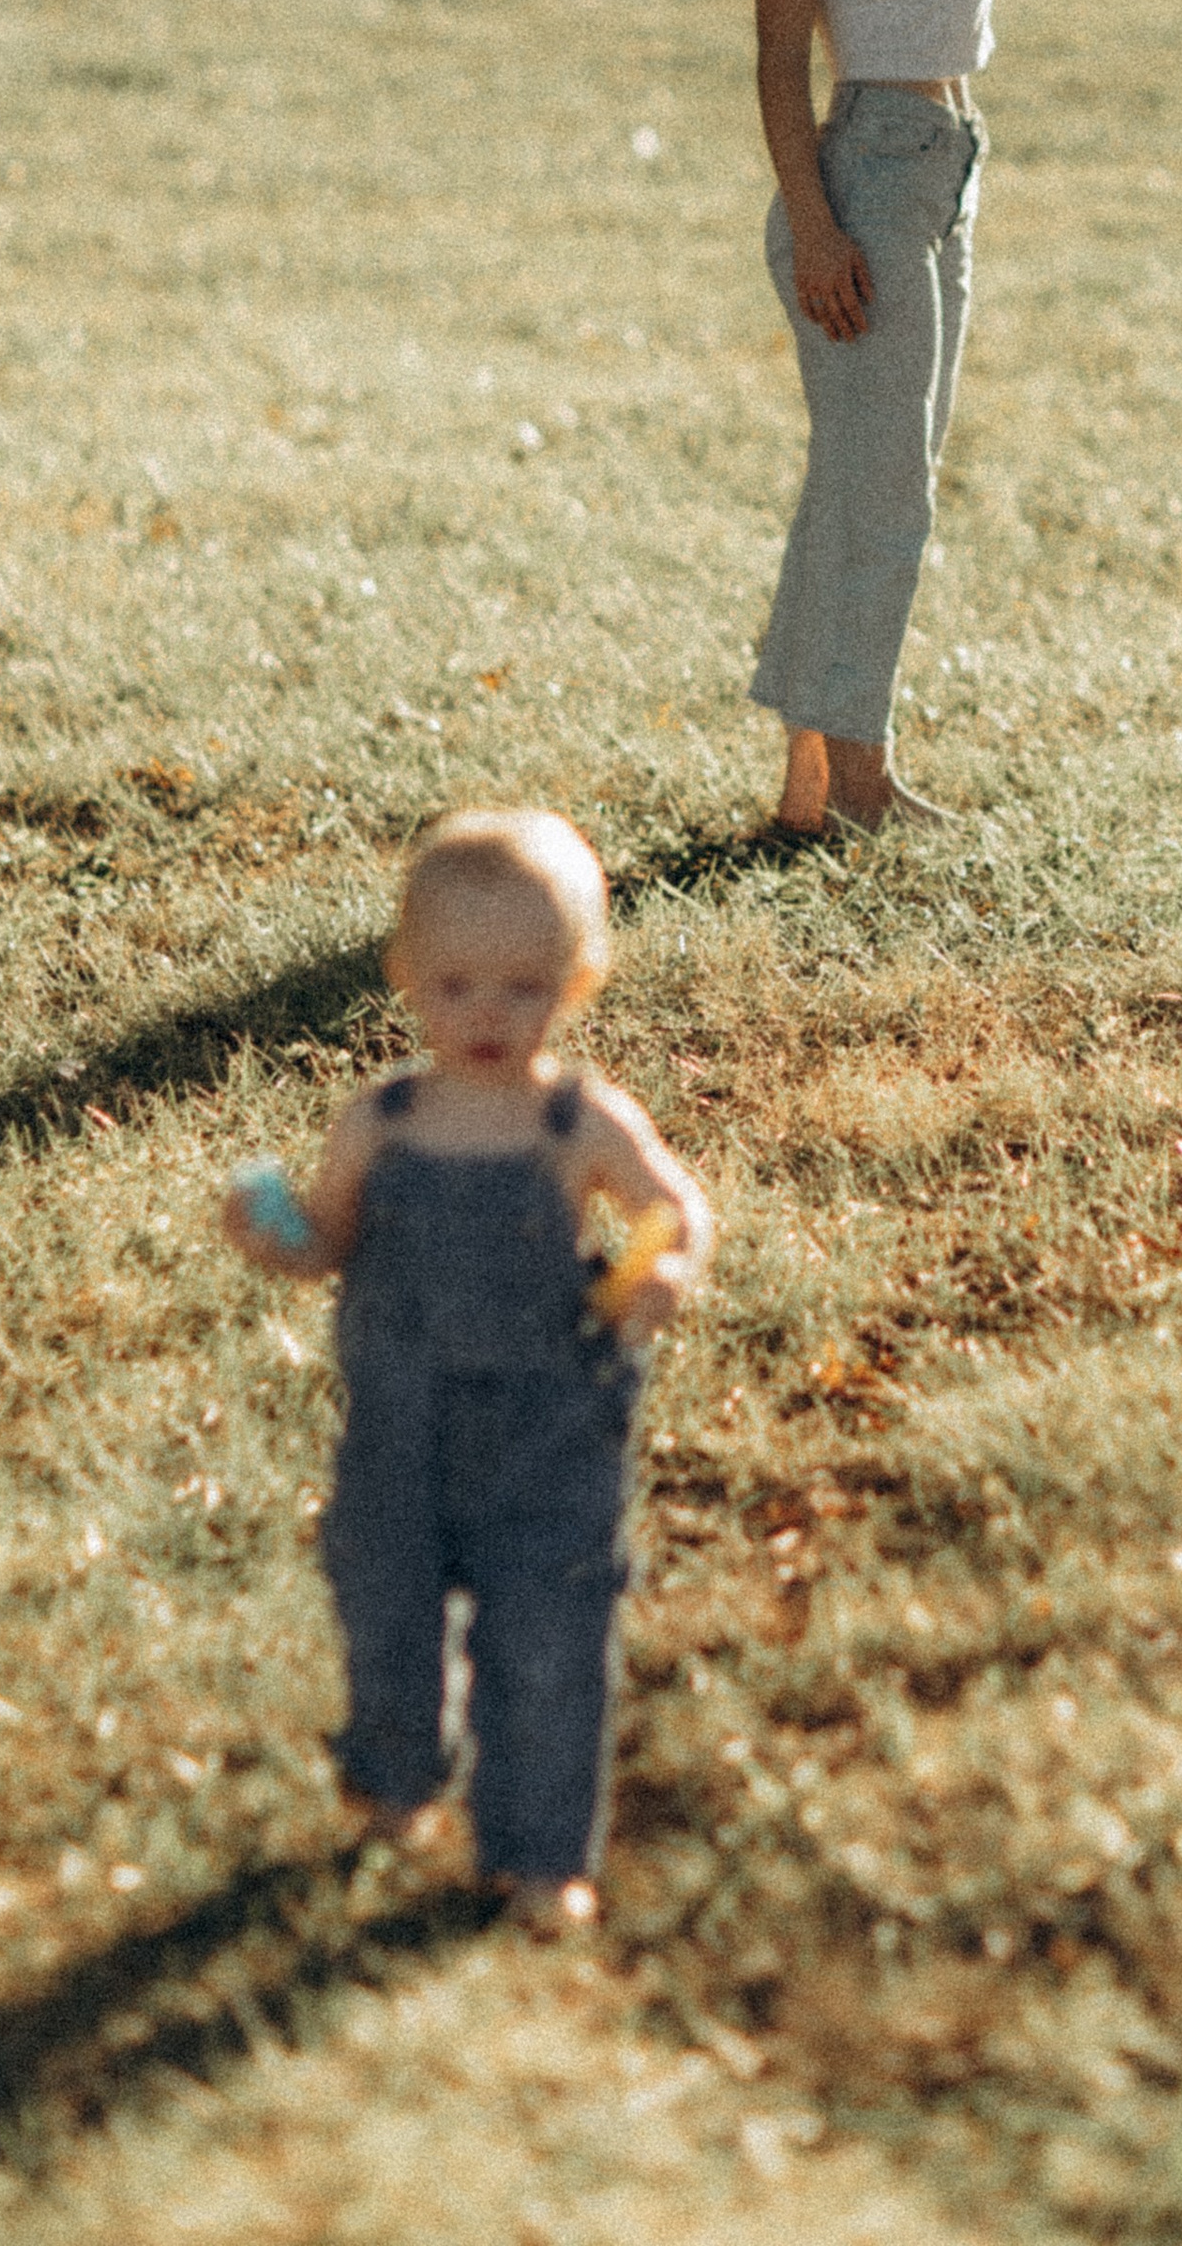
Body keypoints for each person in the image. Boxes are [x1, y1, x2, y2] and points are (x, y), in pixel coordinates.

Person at [219, 807, 712, 1923]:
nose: (486, 1014)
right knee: (384, 1600)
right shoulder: (380, 1123)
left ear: (577, 981)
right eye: (454, 987)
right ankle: (396, 1775)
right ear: (403, 976)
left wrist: (666, 1269)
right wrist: (279, 1238)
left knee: (547, 1627)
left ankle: (540, 1851)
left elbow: (673, 1210)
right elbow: (333, 1244)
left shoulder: (579, 1123)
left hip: (550, 1428)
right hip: (400, 1420)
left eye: (522, 988)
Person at [749, 0, 1162, 836]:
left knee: (870, 477)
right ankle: (863, 785)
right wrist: (815, 226)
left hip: (947, 162)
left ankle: (808, 792)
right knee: (887, 493)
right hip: (858, 169)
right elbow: (777, 64)